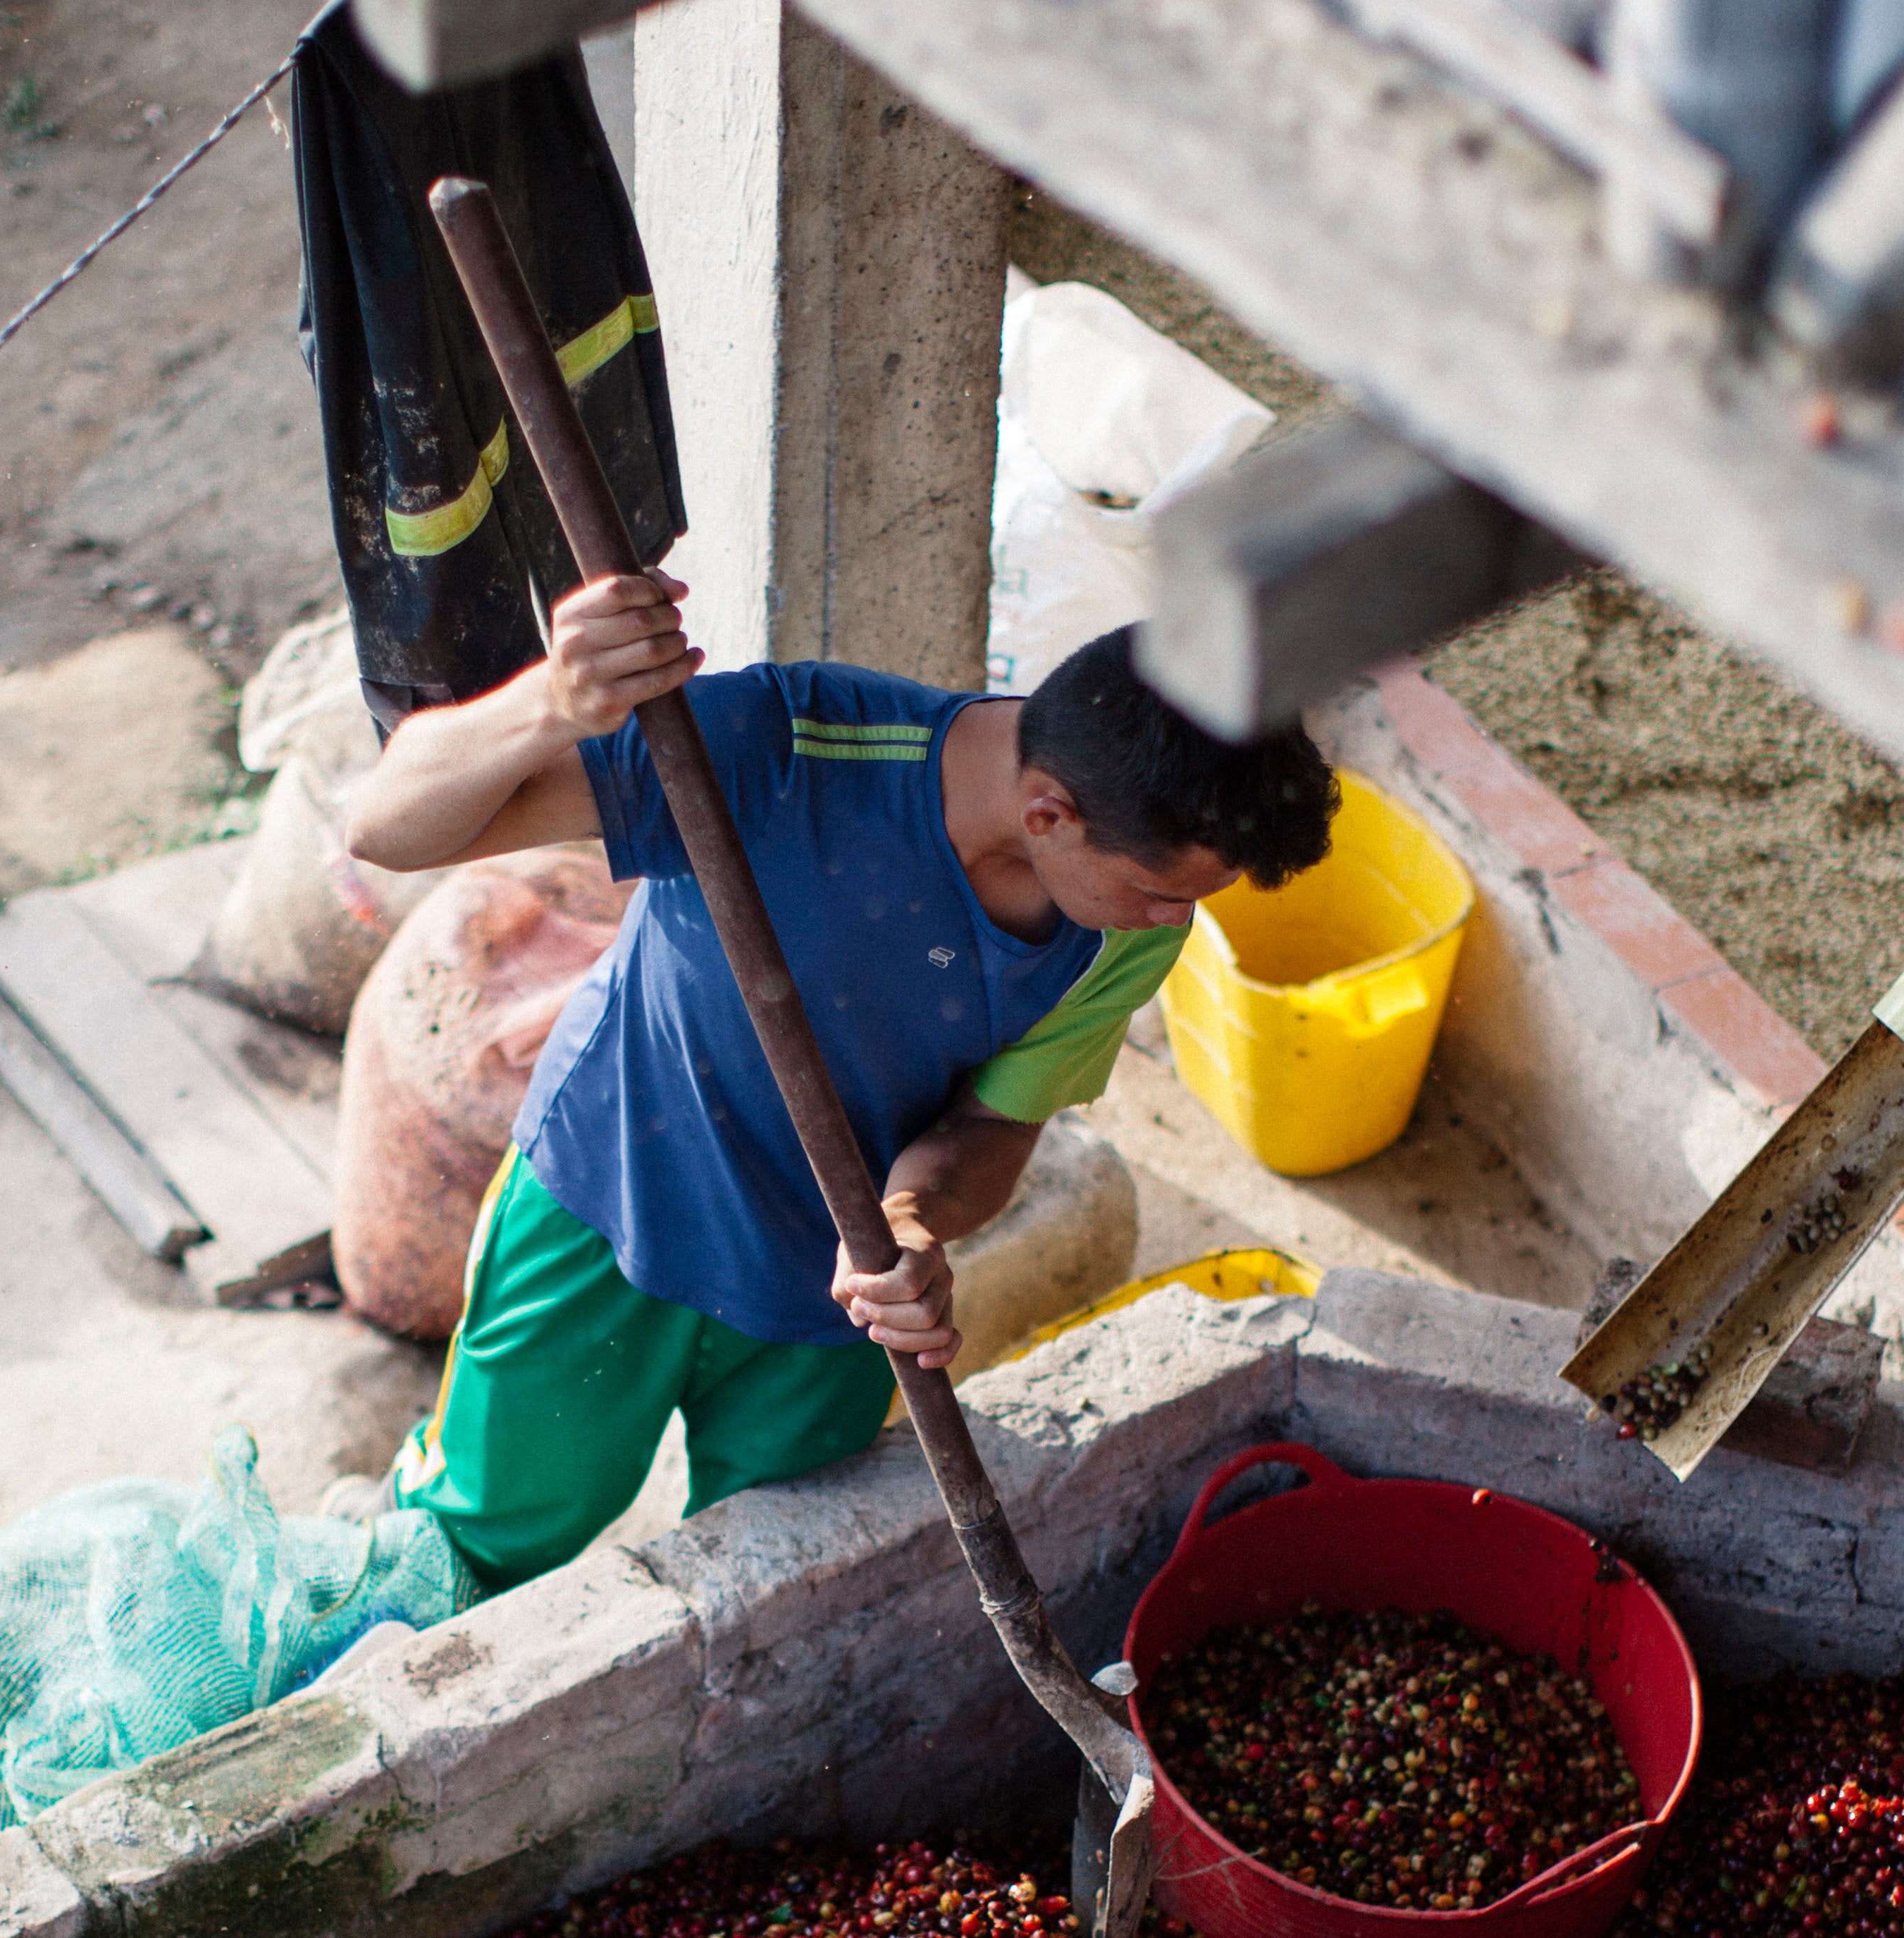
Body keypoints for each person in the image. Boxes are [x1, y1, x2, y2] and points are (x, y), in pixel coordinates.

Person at [343, 568, 1334, 1602]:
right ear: (1049, 814)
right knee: (491, 1535)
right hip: (613, 1195)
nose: (1171, 925)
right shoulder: (785, 748)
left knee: (766, 1583)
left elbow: (994, 1126)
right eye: (1159, 891)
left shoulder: (1119, 934)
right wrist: (548, 700)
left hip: (830, 1284)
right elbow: (389, 828)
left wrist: (909, 1224)